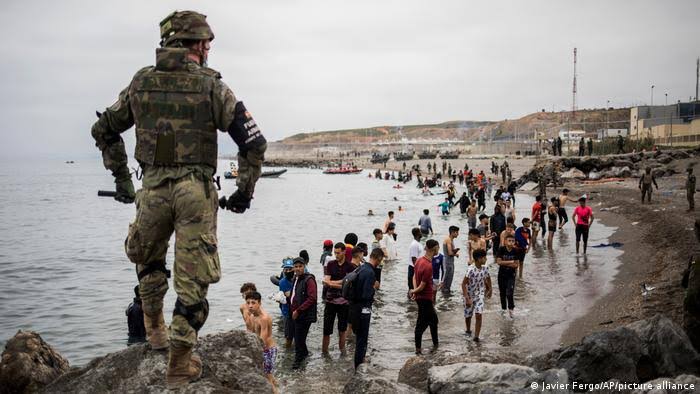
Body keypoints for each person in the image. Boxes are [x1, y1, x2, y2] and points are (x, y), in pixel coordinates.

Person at [90, 10, 267, 388]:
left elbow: (104, 129)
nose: (208, 48)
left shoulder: (141, 83)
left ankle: (154, 330)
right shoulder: (212, 86)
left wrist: (123, 179)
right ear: (193, 44)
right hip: (194, 193)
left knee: (148, 258)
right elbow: (254, 142)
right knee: (193, 279)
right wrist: (244, 193)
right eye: (205, 42)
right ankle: (179, 363)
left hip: (151, 190)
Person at [349, 248, 383, 369]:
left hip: (353, 307)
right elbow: (366, 295)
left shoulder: (361, 267)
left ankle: (359, 360)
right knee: (362, 338)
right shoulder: (370, 273)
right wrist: (374, 288)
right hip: (363, 309)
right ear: (378, 258)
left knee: (359, 336)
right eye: (381, 259)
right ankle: (359, 364)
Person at [321, 243, 355, 354]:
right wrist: (339, 283)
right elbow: (326, 282)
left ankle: (342, 351)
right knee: (326, 330)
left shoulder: (350, 267)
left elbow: (348, 285)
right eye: (335, 253)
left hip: (344, 302)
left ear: (344, 252)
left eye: (338, 253)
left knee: (342, 330)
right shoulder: (331, 264)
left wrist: (332, 283)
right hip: (330, 301)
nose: (336, 255)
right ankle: (324, 353)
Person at [409, 240, 440, 354]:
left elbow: (414, 277)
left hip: (420, 297)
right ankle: (419, 350)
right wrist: (414, 291)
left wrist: (414, 291)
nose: (438, 250)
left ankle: (435, 345)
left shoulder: (419, 260)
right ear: (434, 248)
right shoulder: (428, 266)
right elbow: (422, 286)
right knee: (422, 324)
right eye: (438, 248)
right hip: (425, 299)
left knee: (433, 321)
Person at [244, 291, 278, 392]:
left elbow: (262, 339)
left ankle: (275, 391)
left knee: (267, 377)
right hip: (261, 349)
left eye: (253, 303)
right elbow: (250, 332)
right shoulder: (252, 316)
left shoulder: (264, 318)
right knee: (269, 375)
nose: (250, 306)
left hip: (268, 350)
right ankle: (278, 386)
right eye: (248, 303)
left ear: (259, 303)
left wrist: (254, 352)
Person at [290, 257, 317, 369]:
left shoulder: (309, 280)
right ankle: (305, 354)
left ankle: (297, 363)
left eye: (300, 266)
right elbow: (295, 295)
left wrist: (298, 310)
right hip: (296, 313)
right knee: (299, 338)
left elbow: (312, 298)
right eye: (296, 267)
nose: (298, 269)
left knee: (298, 339)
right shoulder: (296, 279)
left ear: (304, 266)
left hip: (304, 315)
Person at [461, 249, 492, 342]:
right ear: (479, 259)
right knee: (468, 315)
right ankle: (468, 330)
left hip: (480, 294)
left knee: (479, 314)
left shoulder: (485, 268)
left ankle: (476, 336)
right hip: (469, 294)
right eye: (484, 257)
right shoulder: (471, 269)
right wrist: (467, 298)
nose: (486, 259)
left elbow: (488, 277)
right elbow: (463, 284)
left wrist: (490, 289)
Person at [496, 234, 519, 318]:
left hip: (511, 275)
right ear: (505, 241)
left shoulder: (516, 250)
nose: (511, 242)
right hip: (501, 275)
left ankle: (511, 310)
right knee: (502, 293)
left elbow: (516, 265)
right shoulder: (501, 249)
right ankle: (503, 310)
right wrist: (510, 262)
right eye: (509, 240)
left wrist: (504, 263)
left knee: (509, 293)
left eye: (513, 241)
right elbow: (498, 262)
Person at [276, 258, 295, 347]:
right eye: (286, 269)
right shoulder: (283, 282)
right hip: (287, 310)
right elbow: (284, 296)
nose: (288, 271)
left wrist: (290, 294)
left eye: (290, 269)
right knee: (288, 336)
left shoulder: (297, 279)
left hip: (298, 310)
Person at [442, 226, 460, 294]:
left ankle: (446, 297)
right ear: (452, 232)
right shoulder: (448, 240)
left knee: (448, 280)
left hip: (449, 262)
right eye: (457, 232)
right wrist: (456, 254)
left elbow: (449, 251)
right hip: (448, 262)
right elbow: (449, 253)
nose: (458, 234)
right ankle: (445, 296)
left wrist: (455, 251)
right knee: (447, 281)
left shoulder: (450, 240)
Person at [408, 228, 423, 293]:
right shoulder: (414, 244)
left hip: (417, 268)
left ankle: (411, 302)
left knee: (416, 287)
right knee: (412, 287)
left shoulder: (418, 243)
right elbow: (414, 259)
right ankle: (410, 301)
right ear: (417, 234)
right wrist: (418, 270)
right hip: (414, 268)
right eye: (420, 232)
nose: (421, 233)